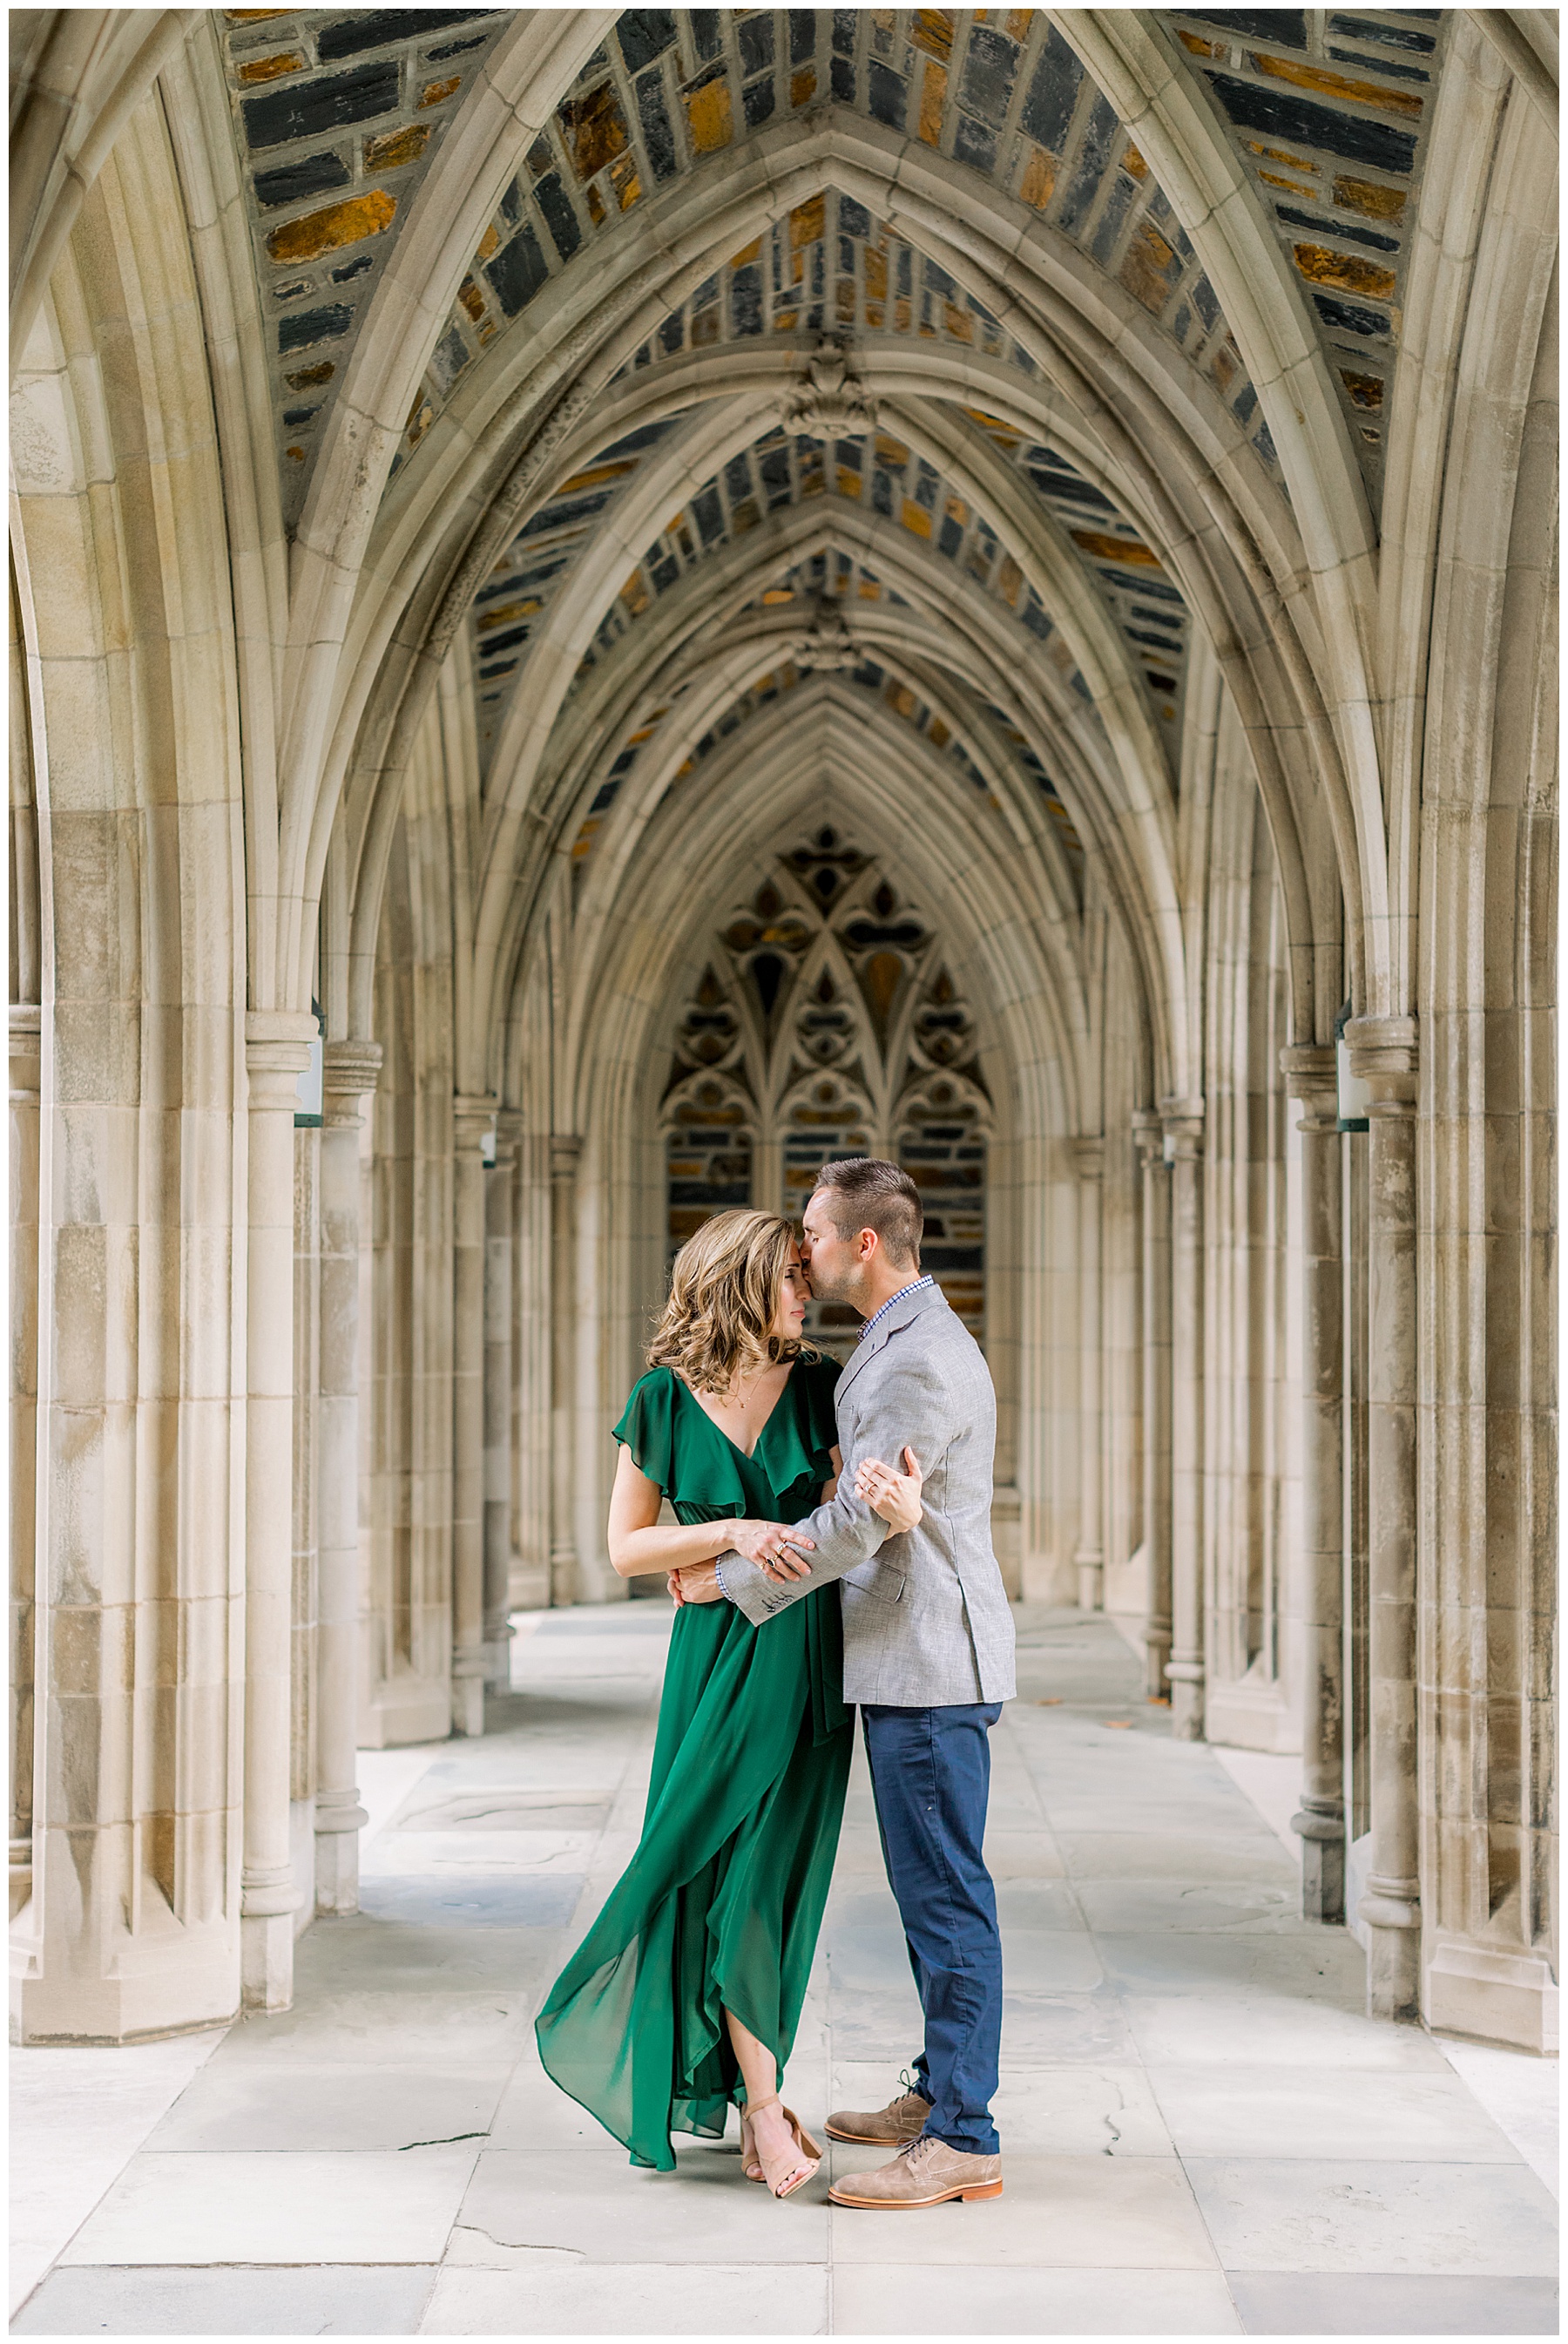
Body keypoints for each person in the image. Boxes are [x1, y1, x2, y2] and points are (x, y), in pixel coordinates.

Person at [534, 1208, 923, 2198]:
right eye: (793, 1276)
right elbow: (623, 1547)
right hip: (710, 1666)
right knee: (696, 1869)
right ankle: (763, 2106)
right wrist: (736, 1531)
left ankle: (761, 2101)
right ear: (740, 1283)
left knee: (768, 1882)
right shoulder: (660, 1399)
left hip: (798, 1654)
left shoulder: (824, 1388)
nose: (810, 1290)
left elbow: (854, 1526)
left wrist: (742, 1563)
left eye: (807, 1271)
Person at [674, 1158, 1016, 2211]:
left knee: (946, 1895)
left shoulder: (912, 1357)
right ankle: (938, 2092)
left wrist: (724, 1579)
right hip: (922, 1653)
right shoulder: (908, 1333)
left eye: (816, 1234)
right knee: (931, 1894)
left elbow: (862, 1519)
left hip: (927, 1659)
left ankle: (963, 2133)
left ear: (864, 1242)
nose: (804, 1250)